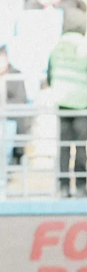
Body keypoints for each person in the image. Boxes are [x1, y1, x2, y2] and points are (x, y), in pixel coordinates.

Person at [48, 32, 87, 196]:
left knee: (64, 146)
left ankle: (63, 186)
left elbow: (49, 73)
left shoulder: (58, 47)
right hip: (81, 103)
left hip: (62, 100)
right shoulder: (83, 47)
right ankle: (81, 185)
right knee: (81, 145)